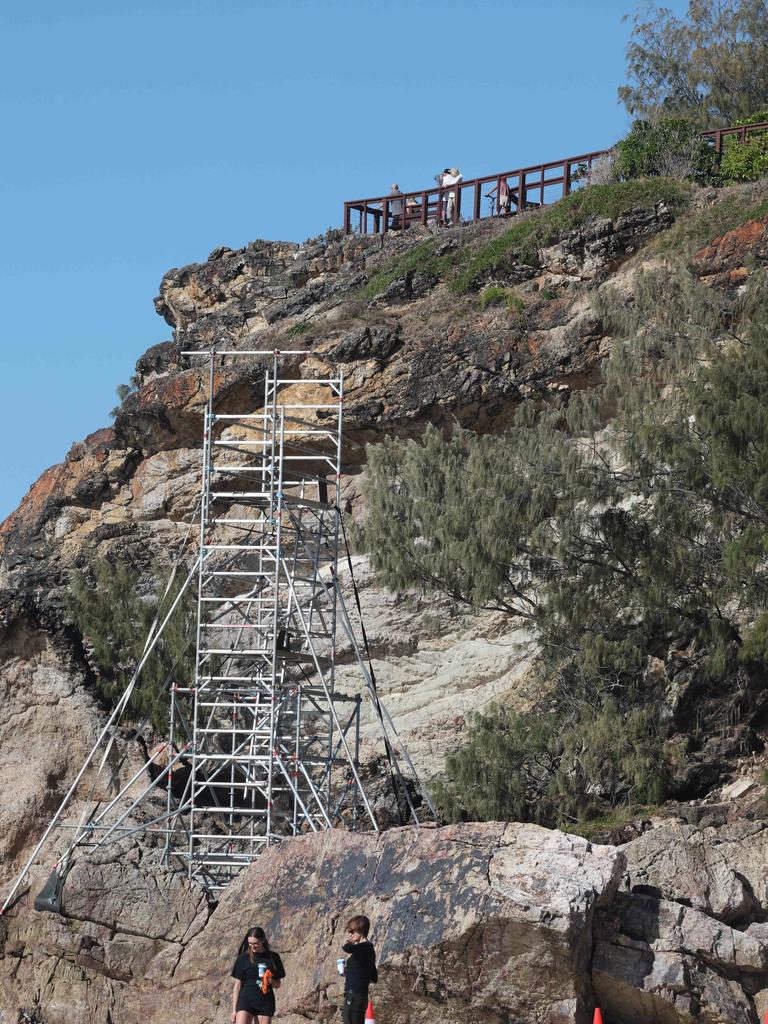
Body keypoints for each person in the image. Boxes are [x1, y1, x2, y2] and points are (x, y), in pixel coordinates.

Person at [231, 926, 286, 1024]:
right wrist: (234, 1010)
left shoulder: (273, 958)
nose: (252, 946)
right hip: (245, 1000)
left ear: (263, 940)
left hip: (265, 1001)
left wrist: (270, 980)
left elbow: (278, 985)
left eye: (255, 943)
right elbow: (237, 985)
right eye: (250, 943)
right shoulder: (243, 958)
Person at [340, 914, 377, 1024]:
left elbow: (347, 948)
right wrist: (350, 972)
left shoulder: (364, 947)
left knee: (349, 1020)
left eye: (351, 931)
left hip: (354, 995)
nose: (350, 934)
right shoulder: (367, 950)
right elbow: (373, 976)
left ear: (359, 930)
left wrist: (349, 942)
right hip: (359, 995)